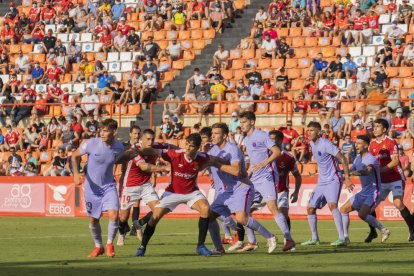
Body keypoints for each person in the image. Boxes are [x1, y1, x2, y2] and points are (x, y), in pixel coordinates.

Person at [134, 133, 224, 257]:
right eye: (187, 144)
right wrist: (138, 150)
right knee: (155, 217)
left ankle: (200, 246)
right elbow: (154, 151)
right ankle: (142, 247)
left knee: (206, 209)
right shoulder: (174, 154)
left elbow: (216, 160)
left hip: (192, 192)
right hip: (172, 192)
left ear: (197, 148)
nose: (187, 148)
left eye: (191, 146)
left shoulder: (202, 157)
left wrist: (234, 164)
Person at [207, 123, 278, 254]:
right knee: (209, 216)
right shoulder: (212, 150)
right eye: (212, 133)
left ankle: (270, 237)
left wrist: (215, 163)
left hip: (242, 187)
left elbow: (236, 171)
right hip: (229, 190)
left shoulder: (232, 149)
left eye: (216, 133)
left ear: (224, 135)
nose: (213, 136)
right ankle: (219, 248)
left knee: (241, 218)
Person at [236, 111, 295, 252]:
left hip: (268, 176)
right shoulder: (247, 139)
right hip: (254, 178)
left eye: (244, 122)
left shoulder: (262, 136)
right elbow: (253, 160)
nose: (241, 125)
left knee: (272, 207)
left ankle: (289, 239)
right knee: (244, 212)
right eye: (240, 122)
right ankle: (252, 242)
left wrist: (264, 163)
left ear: (251, 121)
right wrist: (249, 172)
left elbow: (276, 152)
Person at [71, 119, 126, 258]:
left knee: (114, 214)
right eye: (100, 130)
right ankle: (98, 246)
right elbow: (74, 156)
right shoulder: (91, 143)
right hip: (91, 188)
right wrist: (76, 173)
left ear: (114, 132)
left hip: (109, 186)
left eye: (105, 130)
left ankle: (109, 244)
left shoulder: (119, 147)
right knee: (93, 220)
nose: (102, 133)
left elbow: (117, 159)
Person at [301, 121, 352, 247]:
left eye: (312, 130)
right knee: (310, 208)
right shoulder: (312, 144)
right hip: (322, 181)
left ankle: (342, 238)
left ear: (319, 132)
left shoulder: (326, 143)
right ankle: (314, 238)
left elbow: (342, 158)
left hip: (333, 179)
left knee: (332, 205)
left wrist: (347, 177)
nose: (309, 133)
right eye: (308, 130)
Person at [117, 129, 170, 246]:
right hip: (130, 186)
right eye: (148, 139)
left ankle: (140, 223)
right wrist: (164, 168)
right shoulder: (134, 150)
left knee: (159, 209)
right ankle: (121, 233)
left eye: (152, 139)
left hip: (145, 185)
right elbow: (144, 166)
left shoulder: (155, 146)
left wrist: (184, 151)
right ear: (141, 139)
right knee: (123, 217)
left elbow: (170, 146)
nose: (151, 142)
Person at [368, 119, 414, 242]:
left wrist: (379, 171)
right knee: (369, 207)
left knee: (398, 203)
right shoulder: (372, 144)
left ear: (384, 129)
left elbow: (395, 161)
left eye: (378, 126)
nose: (375, 128)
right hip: (381, 181)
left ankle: (412, 230)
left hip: (396, 178)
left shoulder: (390, 141)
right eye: (374, 126)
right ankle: (373, 232)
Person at [340, 135, 391, 243]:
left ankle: (383, 230)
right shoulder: (358, 158)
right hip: (364, 192)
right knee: (344, 209)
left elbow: (367, 171)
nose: (356, 145)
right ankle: (345, 237)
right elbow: (349, 169)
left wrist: (352, 173)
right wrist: (338, 172)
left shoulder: (371, 159)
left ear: (366, 145)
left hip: (374, 192)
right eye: (356, 143)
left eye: (359, 143)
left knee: (362, 214)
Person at [272, 130, 302, 231]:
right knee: (245, 212)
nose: (270, 142)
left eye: (273, 139)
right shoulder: (264, 155)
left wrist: (296, 192)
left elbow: (297, 175)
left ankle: (288, 239)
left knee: (283, 215)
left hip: (282, 191)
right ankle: (244, 239)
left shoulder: (288, 158)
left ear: (280, 141)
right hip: (266, 191)